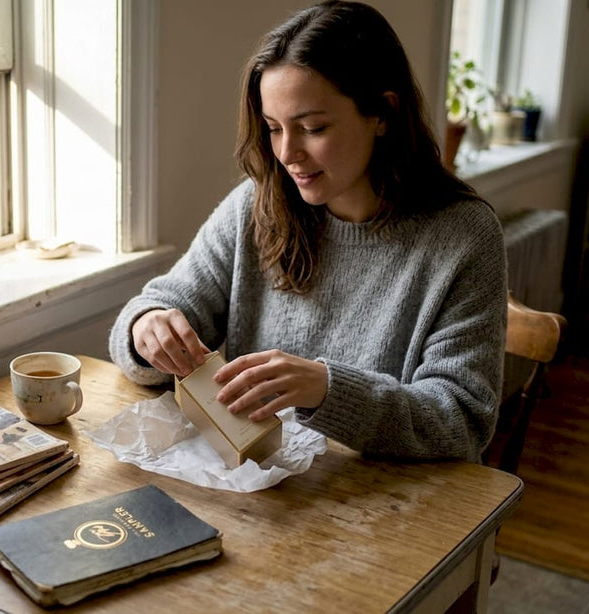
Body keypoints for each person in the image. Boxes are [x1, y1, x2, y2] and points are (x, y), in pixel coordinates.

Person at [108, 0, 507, 462]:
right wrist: (147, 327)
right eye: (274, 129)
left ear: (382, 114)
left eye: (312, 127)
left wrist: (328, 390)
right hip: (262, 493)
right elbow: (164, 303)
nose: (287, 153)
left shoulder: (464, 236)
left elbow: (462, 419)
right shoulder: (256, 205)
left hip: (391, 508)